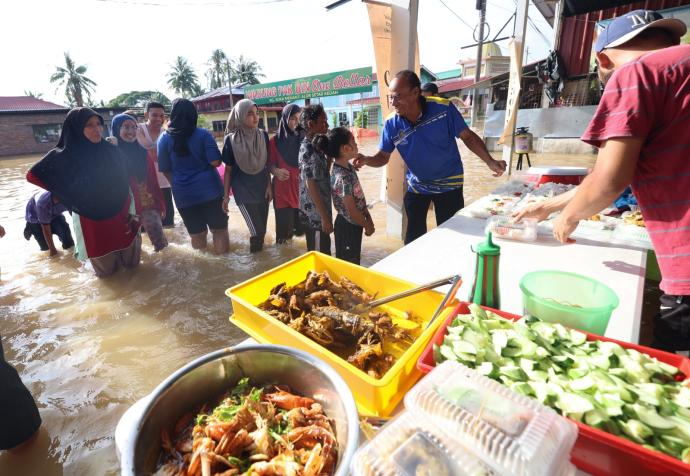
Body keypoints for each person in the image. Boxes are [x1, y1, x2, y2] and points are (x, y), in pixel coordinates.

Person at [518, 10, 689, 352]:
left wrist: (567, 218)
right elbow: (625, 173)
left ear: (603, 59)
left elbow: (611, 179)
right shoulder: (679, 69)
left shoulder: (635, 74)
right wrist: (549, 205)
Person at [355, 70, 506, 244]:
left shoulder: (443, 109)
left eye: (398, 97)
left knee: (453, 237)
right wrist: (366, 159)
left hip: (450, 183)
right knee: (413, 239)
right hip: (418, 186)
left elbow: (468, 137)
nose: (393, 103)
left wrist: (490, 161)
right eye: (391, 97)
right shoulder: (391, 124)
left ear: (415, 92)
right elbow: (383, 157)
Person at [27, 108, 141, 278]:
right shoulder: (63, 156)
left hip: (123, 215)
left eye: (98, 124)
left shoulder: (110, 150)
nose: (97, 129)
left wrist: (135, 211)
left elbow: (129, 181)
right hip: (91, 221)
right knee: (108, 276)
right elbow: (34, 175)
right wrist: (68, 195)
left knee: (134, 268)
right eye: (89, 125)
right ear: (75, 128)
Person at [158, 99, 229, 254]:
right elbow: (216, 162)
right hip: (211, 192)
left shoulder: (163, 139)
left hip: (184, 196)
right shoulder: (203, 135)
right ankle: (225, 266)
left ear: (174, 115)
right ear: (194, 115)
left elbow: (164, 169)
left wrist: (177, 184)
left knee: (197, 235)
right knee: (219, 231)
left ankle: (204, 271)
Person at [314, 127, 374, 265]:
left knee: (354, 261)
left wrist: (368, 218)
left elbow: (359, 198)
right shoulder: (342, 177)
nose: (357, 142)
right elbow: (352, 211)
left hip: (355, 223)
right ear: (345, 149)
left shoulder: (348, 167)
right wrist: (367, 225)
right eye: (353, 140)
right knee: (348, 266)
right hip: (347, 226)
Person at [112, 113, 167, 252]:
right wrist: (111, 151)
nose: (131, 131)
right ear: (116, 129)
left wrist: (160, 204)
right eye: (126, 127)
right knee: (132, 247)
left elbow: (153, 181)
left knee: (160, 244)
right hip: (123, 207)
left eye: (134, 127)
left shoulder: (143, 152)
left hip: (146, 203)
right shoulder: (110, 153)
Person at [221, 99, 271, 253]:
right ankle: (257, 265)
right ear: (240, 115)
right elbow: (228, 170)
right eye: (250, 114)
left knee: (262, 231)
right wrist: (226, 197)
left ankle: (261, 266)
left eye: (257, 113)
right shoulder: (231, 140)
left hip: (263, 189)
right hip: (243, 191)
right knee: (257, 231)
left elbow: (267, 164)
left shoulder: (263, 135)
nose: (255, 117)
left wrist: (270, 186)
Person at [298, 104, 332, 254]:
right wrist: (324, 217)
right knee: (318, 257)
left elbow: (323, 175)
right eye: (323, 121)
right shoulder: (307, 149)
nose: (327, 125)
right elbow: (310, 183)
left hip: (321, 211)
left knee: (324, 250)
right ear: (311, 125)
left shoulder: (317, 147)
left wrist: (329, 158)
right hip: (315, 216)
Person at [268, 104, 303, 244]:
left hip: (301, 193)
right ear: (284, 118)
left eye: (298, 119)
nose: (296, 123)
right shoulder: (274, 142)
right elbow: (267, 164)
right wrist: (275, 171)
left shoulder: (303, 138)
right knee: (284, 240)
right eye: (292, 118)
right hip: (282, 194)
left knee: (301, 235)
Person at [137, 101, 174, 227]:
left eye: (162, 116)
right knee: (147, 222)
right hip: (144, 181)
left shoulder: (166, 132)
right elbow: (150, 149)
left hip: (165, 180)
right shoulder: (138, 128)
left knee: (169, 222)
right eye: (154, 115)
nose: (159, 118)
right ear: (146, 115)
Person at [23, 191, 74, 256]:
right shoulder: (43, 204)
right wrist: (52, 250)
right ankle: (30, 227)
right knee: (46, 249)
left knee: (69, 242)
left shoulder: (70, 198)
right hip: (35, 218)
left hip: (55, 215)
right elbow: (45, 228)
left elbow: (75, 217)